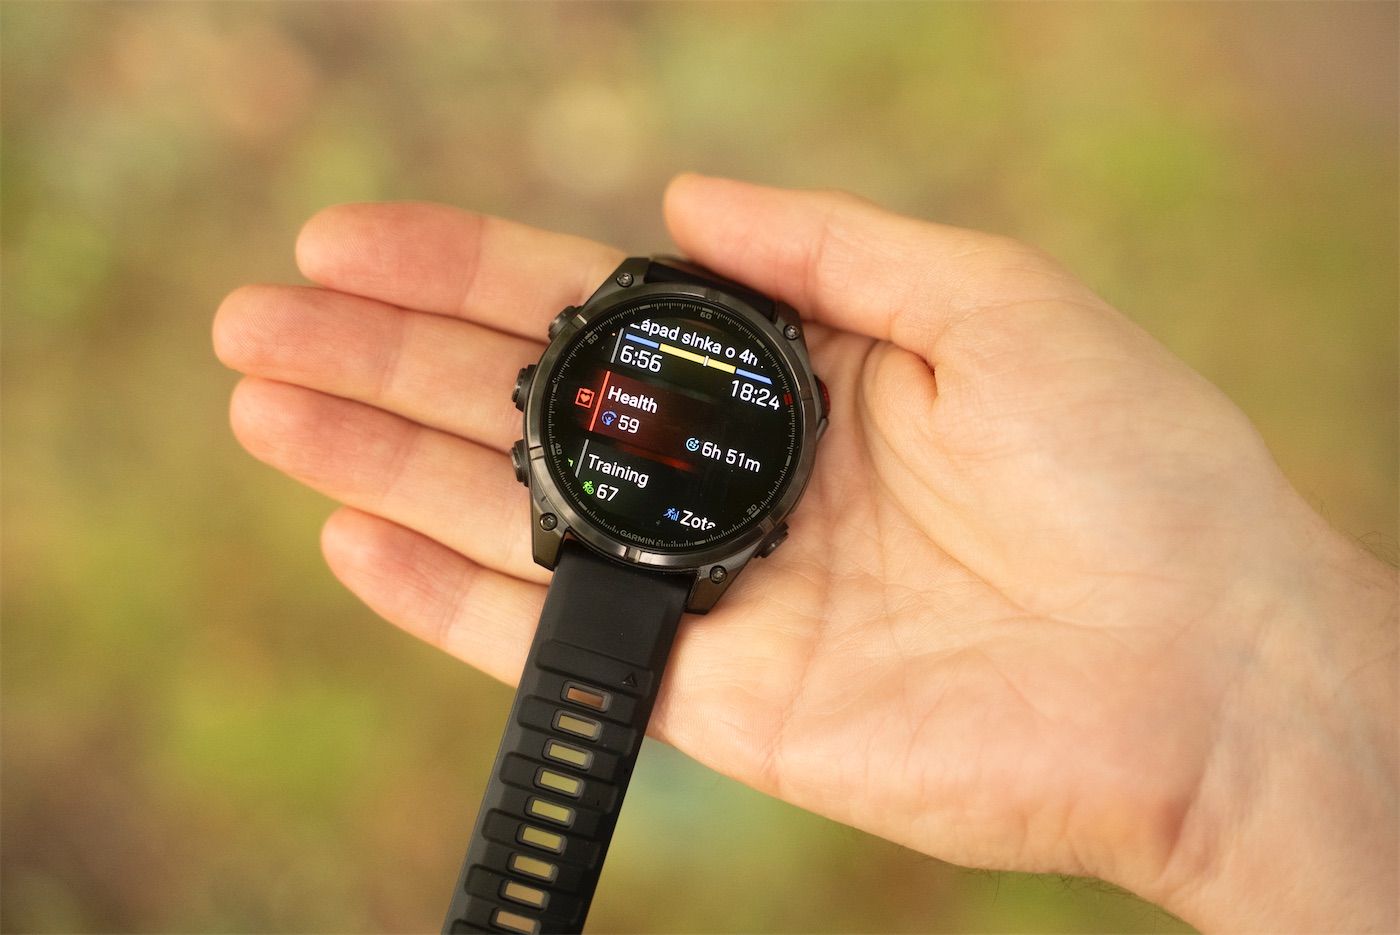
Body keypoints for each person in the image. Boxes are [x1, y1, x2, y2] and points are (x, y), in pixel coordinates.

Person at [213, 175, 1397, 932]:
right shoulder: (647, 428)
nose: (644, 422)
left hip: (653, 555)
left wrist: (1238, 753)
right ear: (546, 398)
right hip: (628, 547)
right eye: (627, 409)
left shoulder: (683, 429)